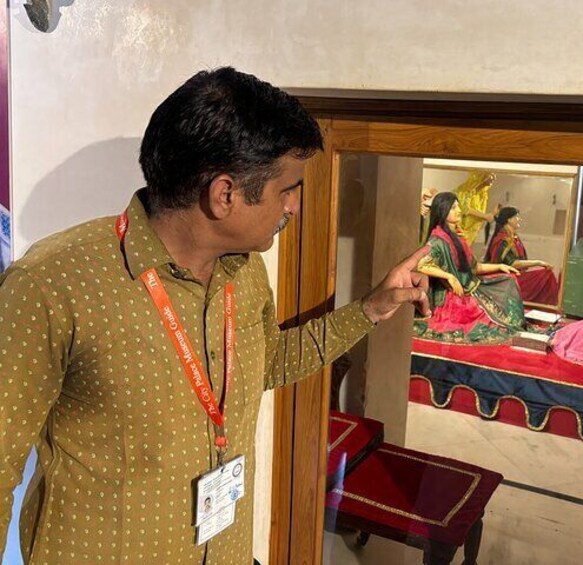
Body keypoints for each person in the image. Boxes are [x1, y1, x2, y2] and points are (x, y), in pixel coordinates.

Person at [0, 67, 429, 564]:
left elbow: (268, 362)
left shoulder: (243, 272)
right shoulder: (52, 284)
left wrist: (372, 308)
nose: (294, 206)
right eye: (287, 189)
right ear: (225, 194)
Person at [415, 192, 525, 343]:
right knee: (486, 322)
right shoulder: (438, 239)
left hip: (470, 285)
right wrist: (449, 276)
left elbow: (475, 267)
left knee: (509, 280)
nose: (459, 210)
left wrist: (500, 266)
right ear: (443, 210)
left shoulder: (458, 237)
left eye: (458, 206)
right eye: (453, 207)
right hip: (454, 295)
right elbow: (421, 265)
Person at [484, 206, 560, 305]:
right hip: (508, 280)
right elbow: (512, 264)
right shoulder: (502, 240)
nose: (519, 219)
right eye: (516, 216)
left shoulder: (514, 237)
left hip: (518, 275)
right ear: (509, 220)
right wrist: (538, 262)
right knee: (546, 275)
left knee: (547, 273)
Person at [453, 171, 496, 245]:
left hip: (468, 236)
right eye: (489, 175)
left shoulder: (482, 195)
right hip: (458, 232)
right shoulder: (463, 191)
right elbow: (465, 209)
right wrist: (485, 216)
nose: (492, 178)